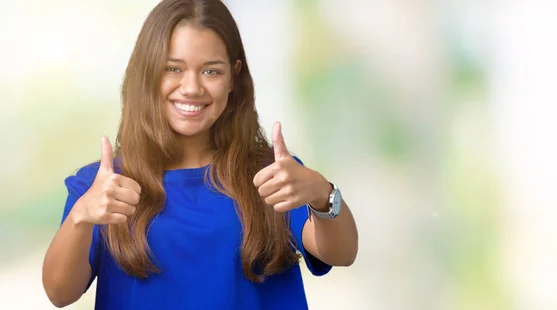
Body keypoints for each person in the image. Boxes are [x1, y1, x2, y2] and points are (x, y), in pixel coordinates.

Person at [42, 0, 358, 309]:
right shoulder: (104, 186)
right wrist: (81, 216)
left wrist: (321, 192)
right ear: (148, 73)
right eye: (173, 69)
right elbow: (60, 293)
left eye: (211, 71)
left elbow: (342, 254)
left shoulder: (273, 175)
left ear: (234, 76)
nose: (191, 88)